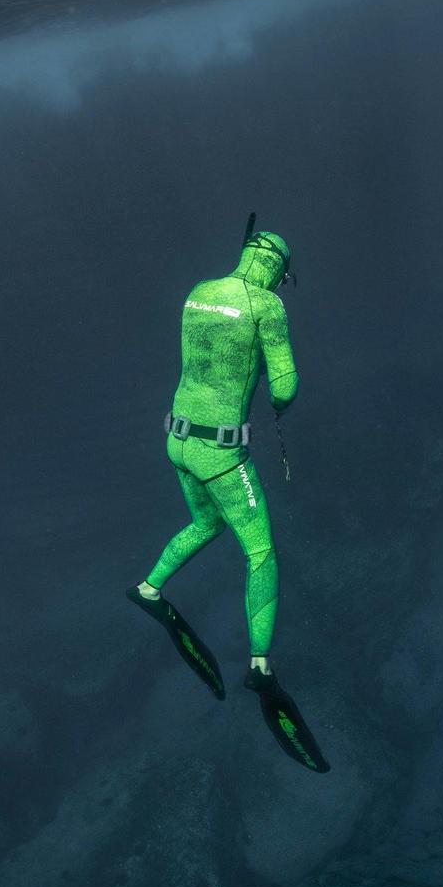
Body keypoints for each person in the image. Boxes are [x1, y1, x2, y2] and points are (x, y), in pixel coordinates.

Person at [127, 218, 329, 772]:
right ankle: (260, 666)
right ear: (276, 271)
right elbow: (285, 386)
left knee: (208, 523)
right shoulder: (267, 306)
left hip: (176, 439)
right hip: (221, 455)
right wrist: (279, 400)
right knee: (260, 552)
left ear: (244, 252)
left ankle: (148, 589)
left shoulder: (199, 292)